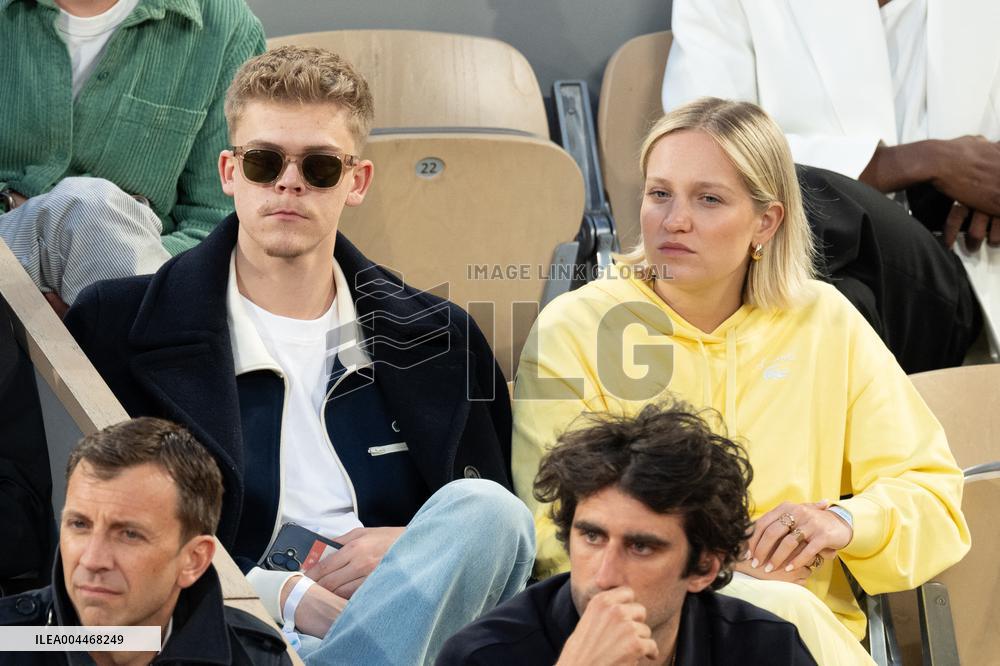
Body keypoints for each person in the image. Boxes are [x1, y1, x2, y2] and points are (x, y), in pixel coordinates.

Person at [64, 45, 534, 664]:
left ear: (356, 181)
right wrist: (277, 592)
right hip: (223, 635)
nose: (289, 182)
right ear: (229, 172)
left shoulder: (442, 337)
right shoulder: (120, 324)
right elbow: (99, 542)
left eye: (319, 167)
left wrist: (413, 549)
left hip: (415, 629)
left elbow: (495, 555)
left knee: (490, 511)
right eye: (264, 162)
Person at [511, 98, 970, 664]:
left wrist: (843, 521)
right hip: (644, 633)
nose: (674, 220)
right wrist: (715, 573)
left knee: (788, 614)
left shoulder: (823, 319)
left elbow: (933, 495)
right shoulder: (576, 327)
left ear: (766, 221)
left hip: (806, 635)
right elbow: (553, 533)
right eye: (660, 193)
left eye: (708, 199)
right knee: (784, 610)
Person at [661, 0, 992, 372]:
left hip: (960, 272)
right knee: (835, 297)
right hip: (792, 264)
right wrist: (927, 162)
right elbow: (701, 148)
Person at [439, 402, 818, 666]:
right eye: (591, 536)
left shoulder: (766, 649)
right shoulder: (485, 655)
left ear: (703, 567)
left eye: (641, 547)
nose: (604, 576)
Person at [0, 0, 265, 314]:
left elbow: (218, 220)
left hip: (147, 272)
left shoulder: (225, 26)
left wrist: (108, 272)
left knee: (96, 215)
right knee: (86, 206)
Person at [0, 417, 291, 665]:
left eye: (129, 534)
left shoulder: (252, 658)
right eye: (79, 524)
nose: (92, 560)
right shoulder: (10, 641)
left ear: (194, 560)